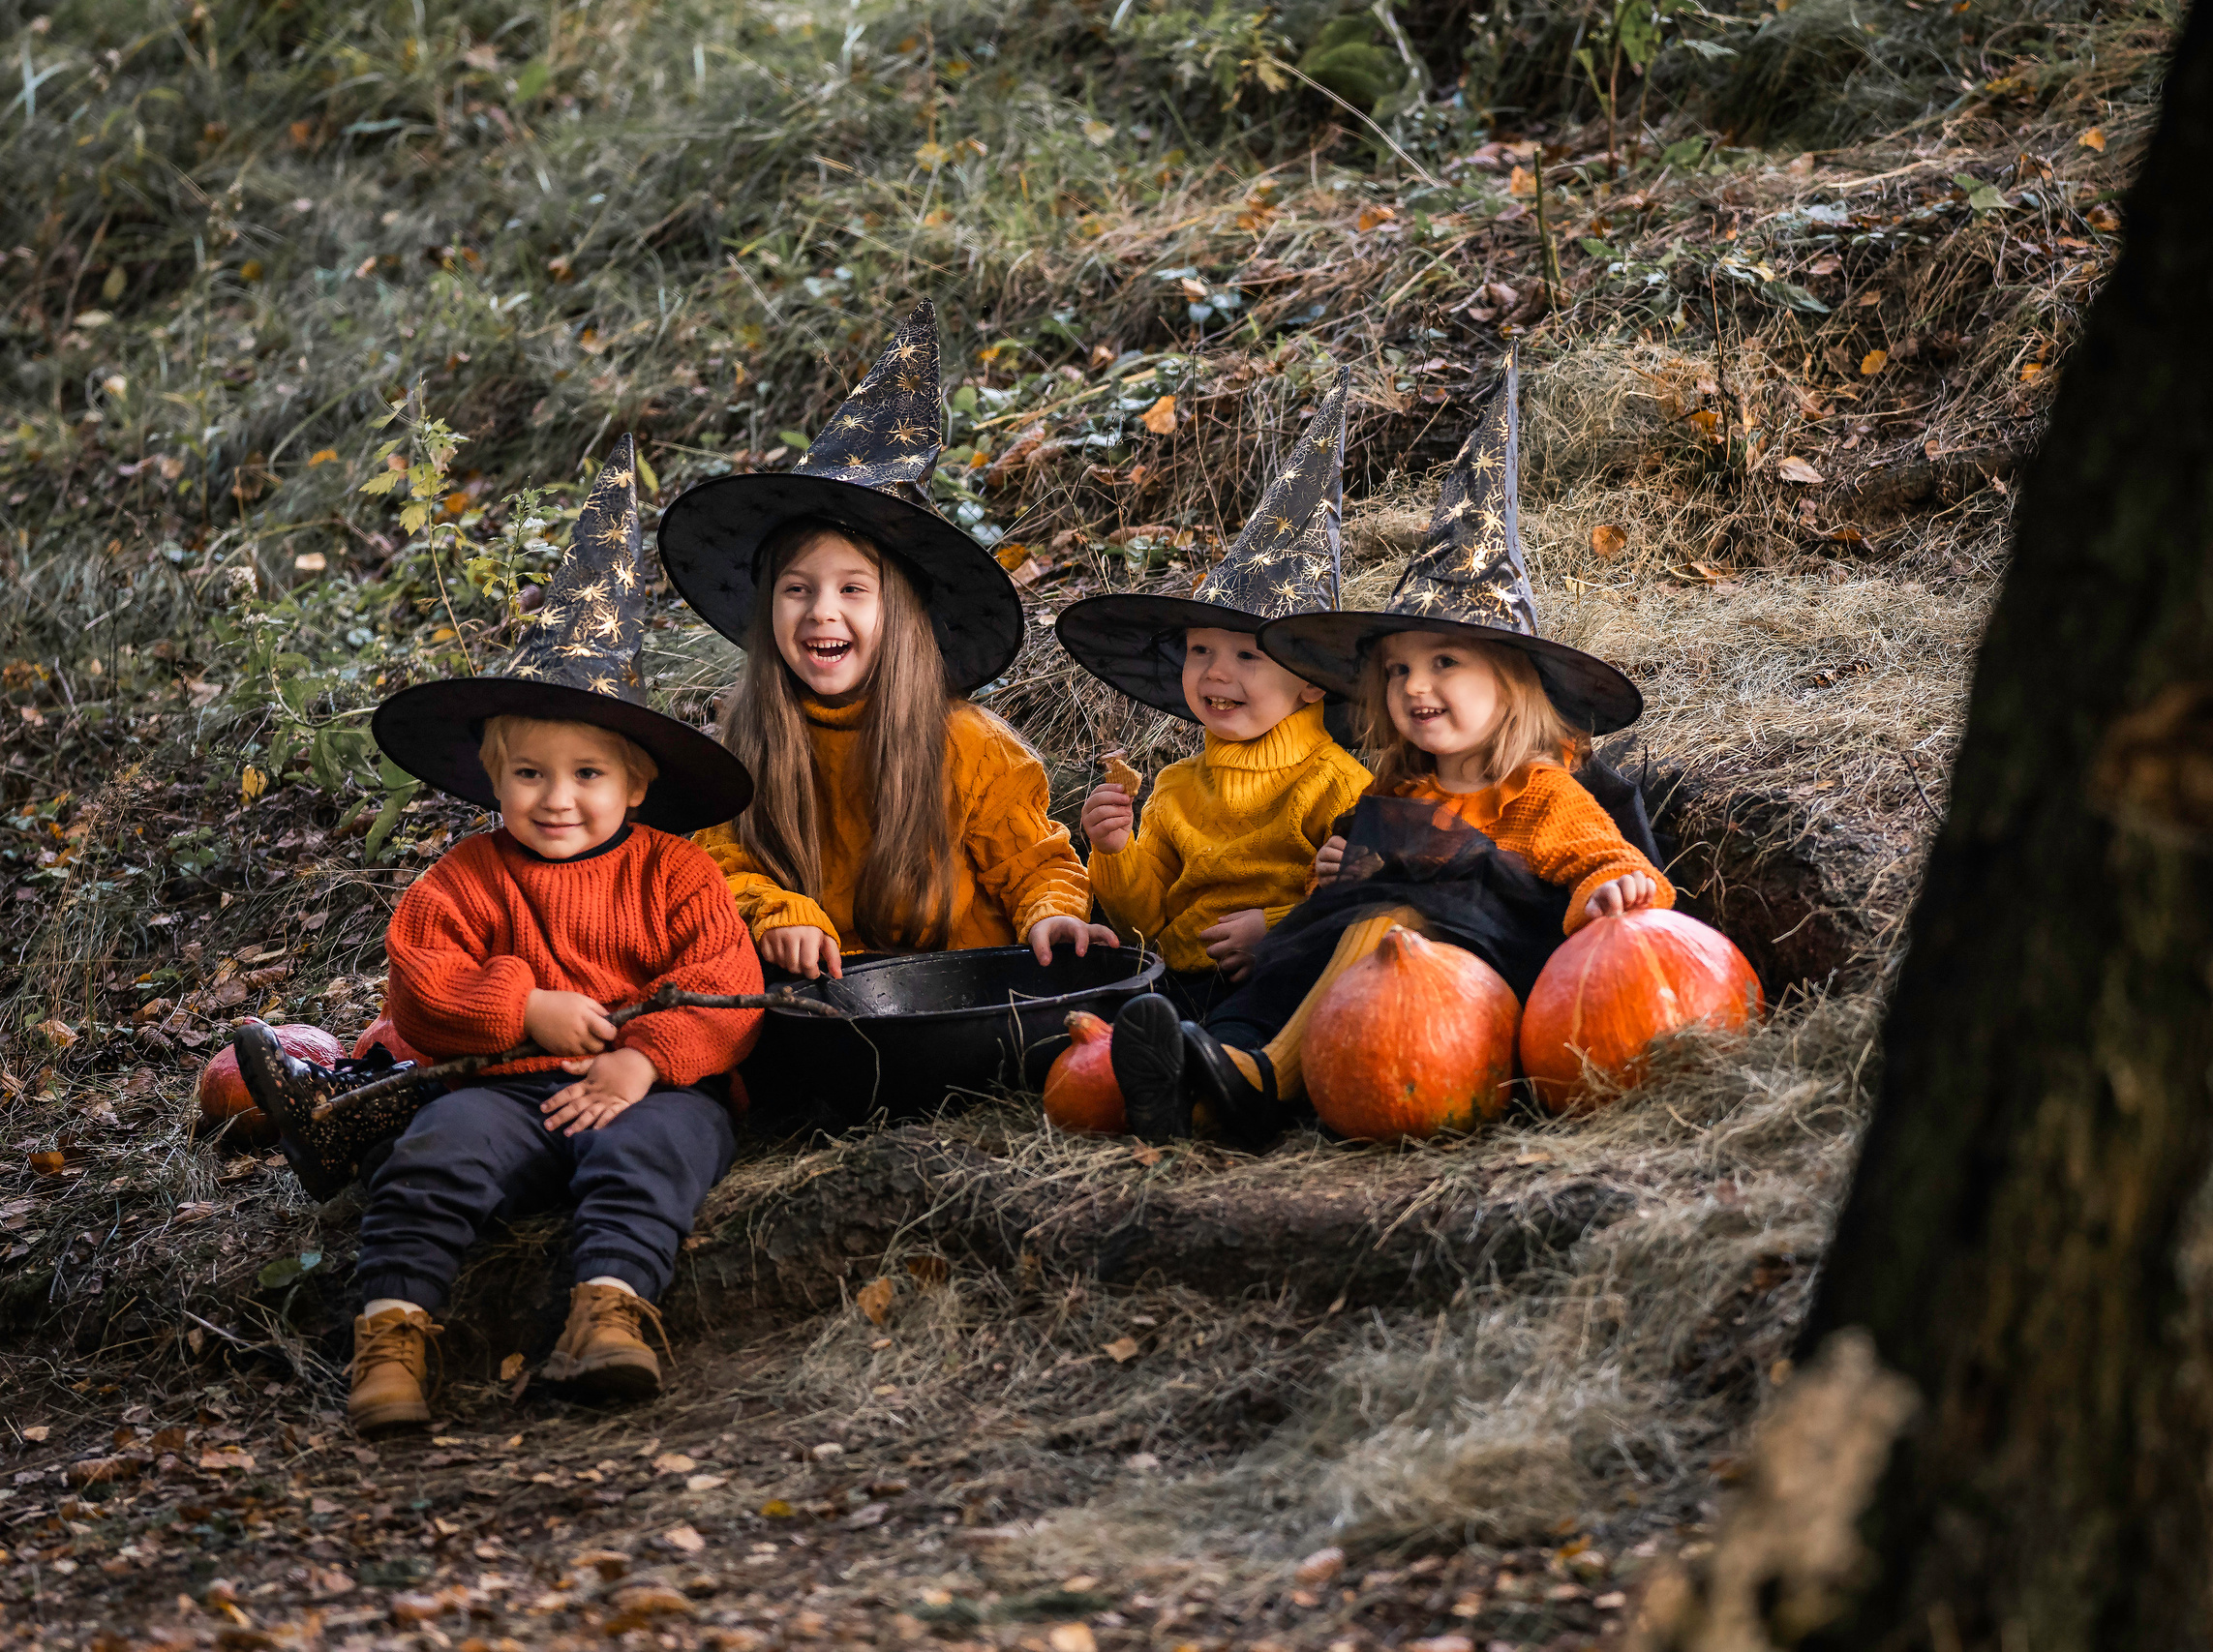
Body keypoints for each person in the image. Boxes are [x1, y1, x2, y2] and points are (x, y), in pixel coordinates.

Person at [235, 439, 766, 1433]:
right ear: (490, 778)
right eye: (529, 774)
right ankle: (391, 1338)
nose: (556, 799)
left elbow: (725, 989)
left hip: (647, 1091)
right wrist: (522, 1008)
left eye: (588, 775)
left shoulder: (676, 872)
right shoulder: (465, 879)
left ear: (638, 784)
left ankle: (608, 1312)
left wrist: (645, 1062)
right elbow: (421, 992)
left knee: (653, 1158)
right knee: (435, 1157)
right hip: (501, 1094)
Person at [1108, 355, 1674, 1143]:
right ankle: (1208, 1083)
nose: (1415, 686)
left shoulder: (1537, 791)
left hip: (1466, 999)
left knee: (1396, 919)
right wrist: (1335, 876)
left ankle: (1266, 1073)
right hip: (1361, 998)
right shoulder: (1395, 796)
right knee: (1318, 945)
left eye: (1444, 663)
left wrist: (1611, 892)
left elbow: (1607, 861)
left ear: (1511, 684)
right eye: (1400, 668)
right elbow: (1327, 908)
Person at [656, 300, 1111, 976]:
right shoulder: (752, 737)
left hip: (962, 1001)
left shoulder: (968, 744)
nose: (820, 612)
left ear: (899, 616)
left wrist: (1051, 911)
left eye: (852, 590)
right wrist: (780, 908)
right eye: (797, 588)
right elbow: (720, 868)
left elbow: (1034, 863)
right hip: (829, 1006)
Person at [1054, 377, 1370, 1024]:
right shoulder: (1175, 789)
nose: (1215, 673)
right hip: (1176, 984)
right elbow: (1148, 918)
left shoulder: (1336, 783)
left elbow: (1362, 894)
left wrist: (1278, 930)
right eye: (1201, 651)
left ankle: (1215, 1073)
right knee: (1122, 1013)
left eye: (1247, 655)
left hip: (1280, 979)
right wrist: (1113, 851)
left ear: (1311, 681)